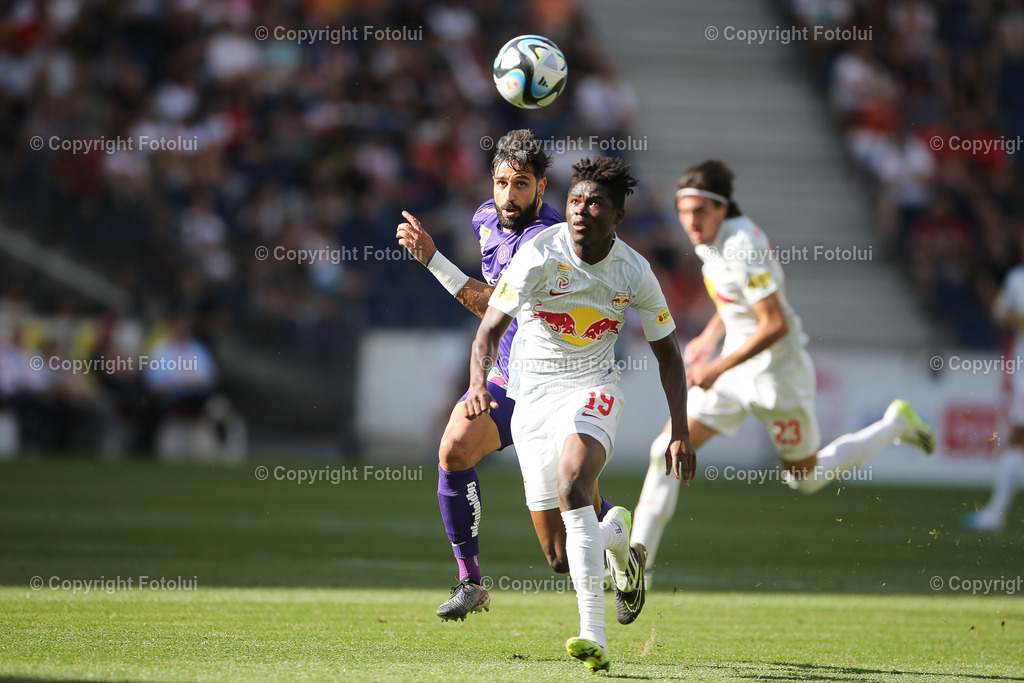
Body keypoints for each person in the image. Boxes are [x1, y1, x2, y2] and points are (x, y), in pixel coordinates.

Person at [631, 159, 935, 577]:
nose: (689, 221)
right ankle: (637, 568)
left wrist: (717, 366)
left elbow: (777, 322)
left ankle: (894, 426)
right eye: (683, 211)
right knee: (664, 451)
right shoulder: (714, 240)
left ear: (722, 208)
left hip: (778, 375)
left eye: (698, 211)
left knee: (804, 478)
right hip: (738, 367)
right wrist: (711, 335)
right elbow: (744, 299)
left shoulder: (743, 246)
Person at [465, 156, 695, 673]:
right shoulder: (538, 254)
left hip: (593, 389)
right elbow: (489, 330)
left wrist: (680, 430)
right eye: (574, 201)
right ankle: (620, 541)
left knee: (574, 484)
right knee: (560, 556)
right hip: (532, 401)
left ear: (617, 216)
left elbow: (669, 357)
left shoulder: (635, 271)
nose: (581, 210)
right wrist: (479, 383)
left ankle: (594, 636)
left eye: (595, 203)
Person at [396, 130, 617, 622]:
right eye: (501, 183)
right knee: (453, 450)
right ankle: (471, 582)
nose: (508, 195)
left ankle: (622, 550)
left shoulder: (547, 239)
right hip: (506, 378)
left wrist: (433, 260)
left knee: (561, 549)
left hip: (554, 382)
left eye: (521, 184)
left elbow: (500, 307)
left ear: (542, 187)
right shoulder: (484, 219)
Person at [963, 258, 1024, 532]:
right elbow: (1000, 315)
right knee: (1016, 439)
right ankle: (995, 512)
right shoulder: (1016, 278)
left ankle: (995, 513)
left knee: (1016, 440)